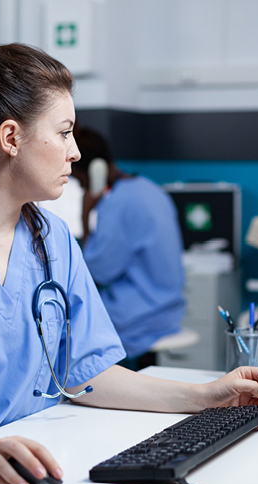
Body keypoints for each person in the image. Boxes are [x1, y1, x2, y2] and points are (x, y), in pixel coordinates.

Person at [0, 43, 258, 484]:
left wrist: (200, 398)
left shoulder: (52, 240)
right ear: (10, 138)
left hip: (35, 460)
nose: (75, 152)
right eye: (63, 133)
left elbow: (85, 373)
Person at [70, 126, 185, 369]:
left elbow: (98, 271)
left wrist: (85, 216)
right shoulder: (149, 188)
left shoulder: (119, 204)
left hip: (139, 319)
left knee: (69, 329)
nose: (80, 187)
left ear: (94, 171)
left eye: (78, 180)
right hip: (167, 311)